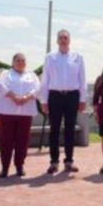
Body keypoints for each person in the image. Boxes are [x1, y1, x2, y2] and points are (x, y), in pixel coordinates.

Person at [40, 29, 87, 174]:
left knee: (70, 130)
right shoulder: (50, 57)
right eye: (61, 38)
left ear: (69, 40)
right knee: (54, 130)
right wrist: (44, 100)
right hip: (55, 96)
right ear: (57, 40)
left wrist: (82, 99)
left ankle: (69, 161)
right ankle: (54, 162)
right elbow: (45, 79)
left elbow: (82, 79)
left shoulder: (77, 57)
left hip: (72, 96)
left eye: (66, 37)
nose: (63, 40)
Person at [0, 53, 40, 177]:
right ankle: (5, 168)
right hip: (7, 112)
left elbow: (37, 88)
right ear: (13, 62)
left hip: (25, 112)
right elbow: (0, 85)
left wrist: (27, 97)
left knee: (23, 141)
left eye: (23, 60)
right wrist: (13, 97)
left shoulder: (32, 75)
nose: (21, 62)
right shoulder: (5, 74)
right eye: (18, 60)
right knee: (6, 141)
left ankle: (19, 166)